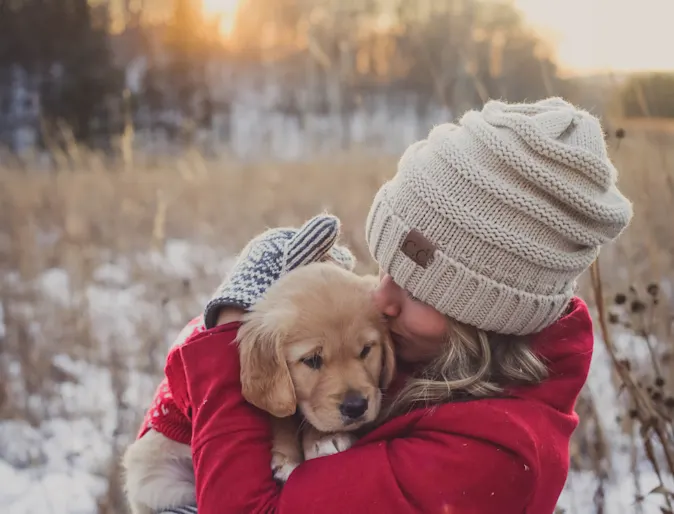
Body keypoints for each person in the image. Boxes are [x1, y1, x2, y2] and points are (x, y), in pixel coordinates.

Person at [157, 97, 633, 514]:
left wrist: (232, 327)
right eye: (385, 269)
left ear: (485, 317)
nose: (378, 299)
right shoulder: (433, 354)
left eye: (415, 290)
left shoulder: (488, 458)